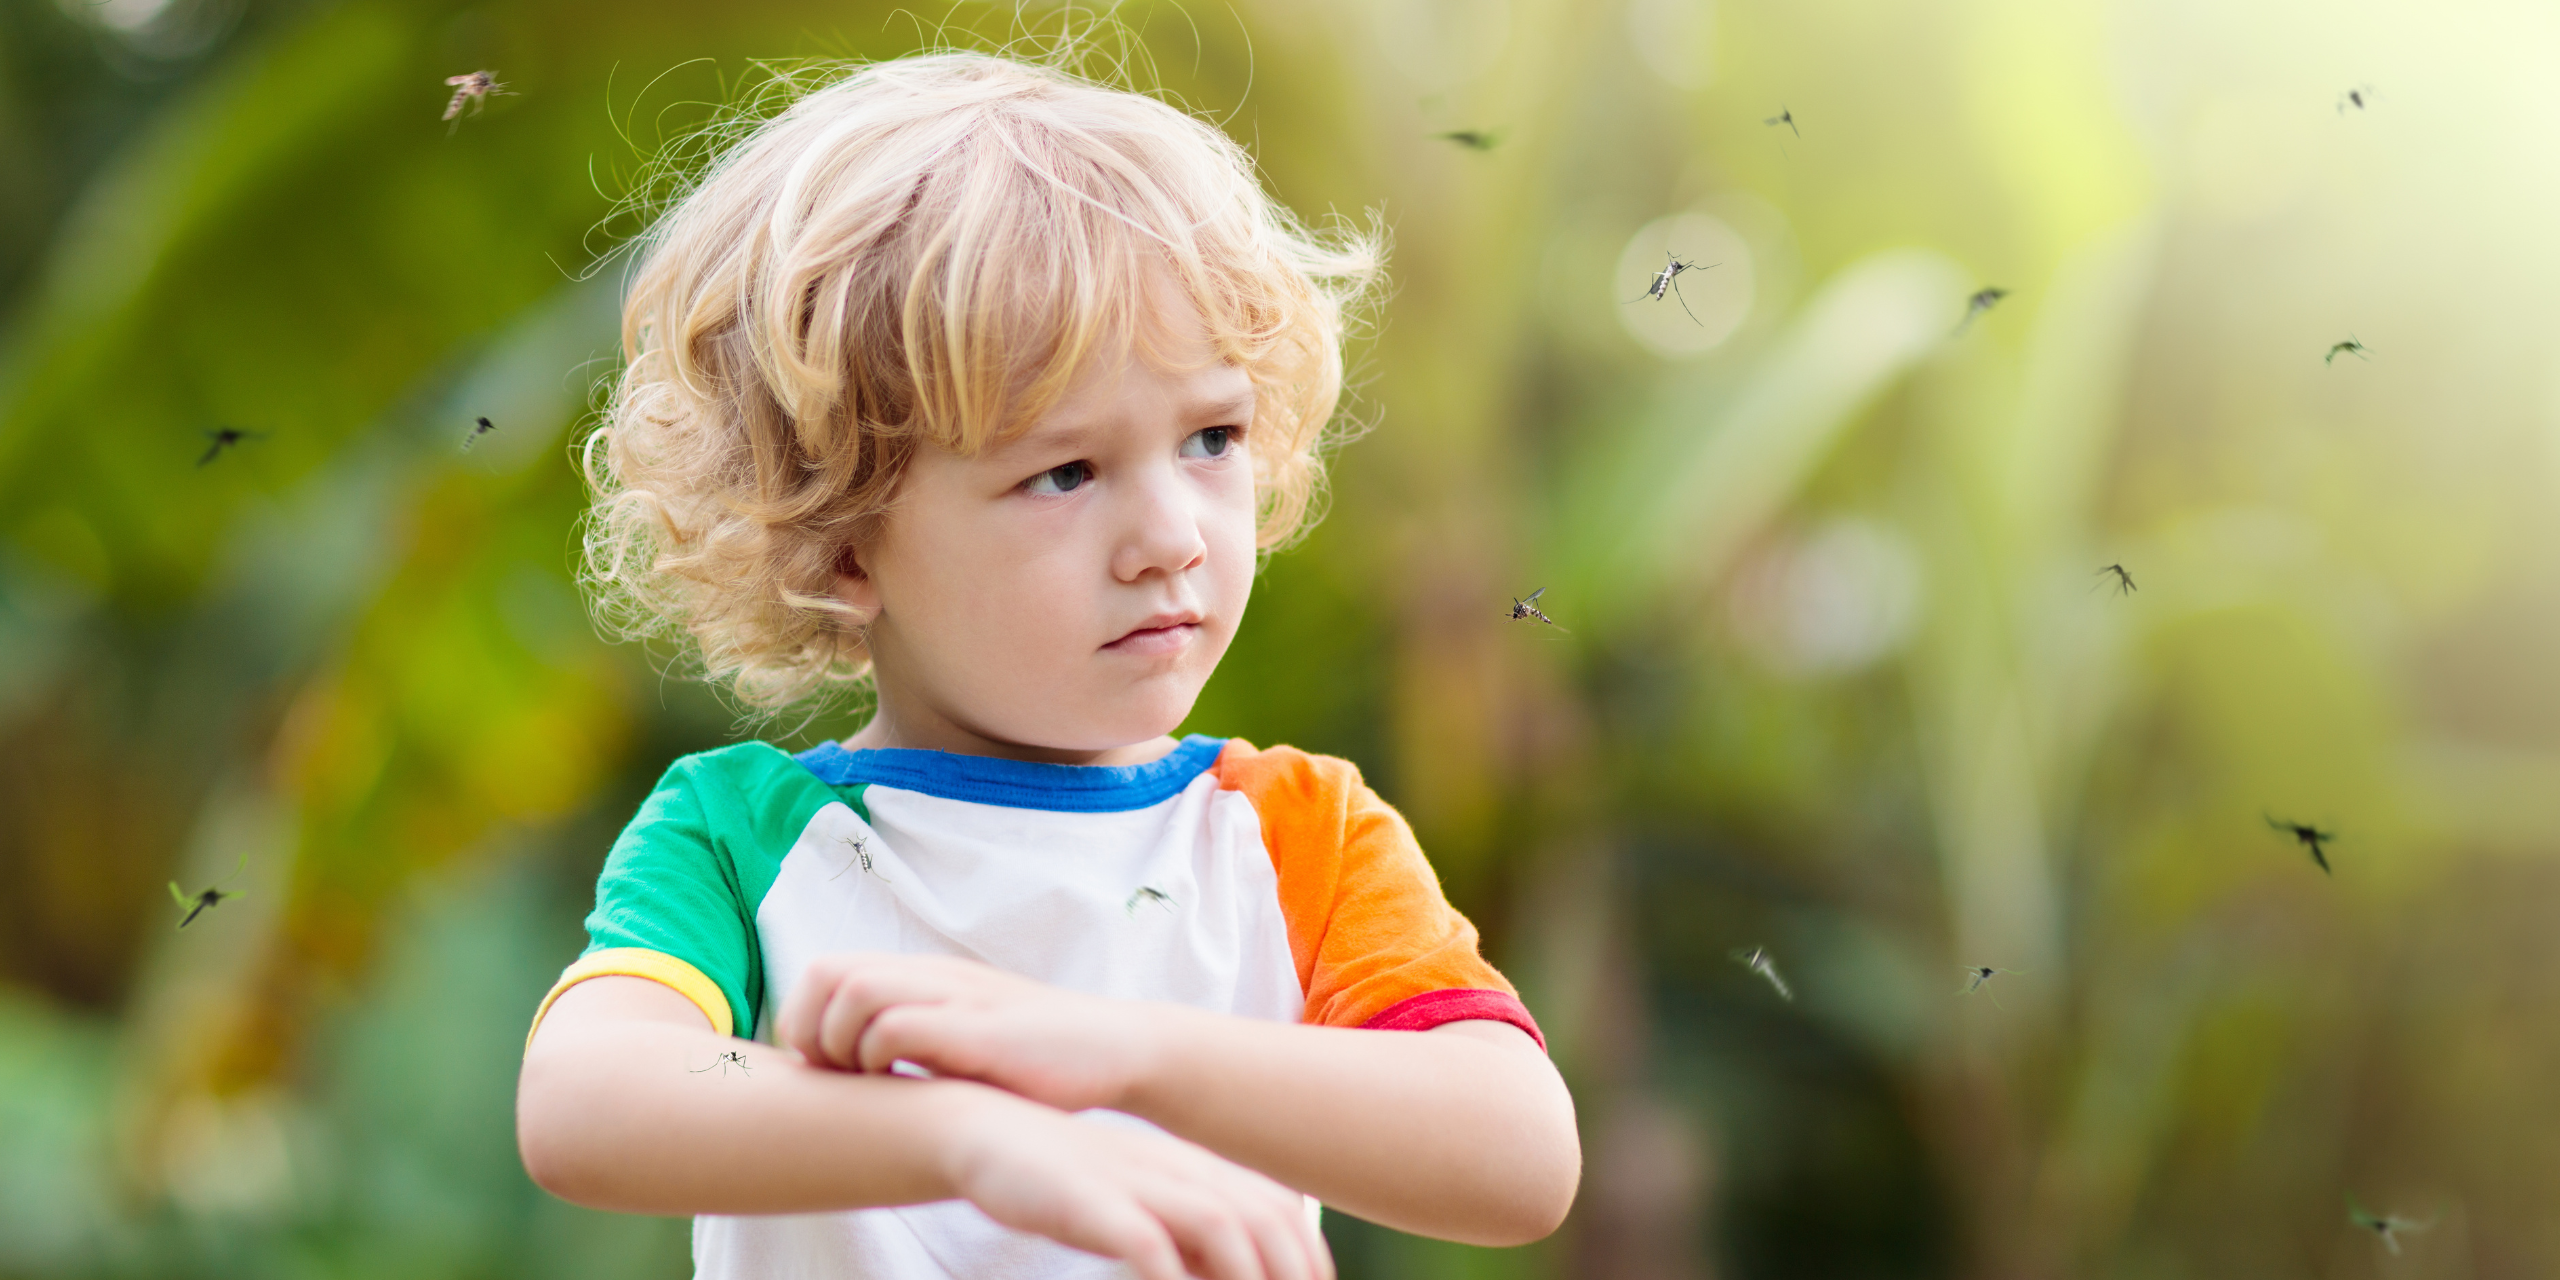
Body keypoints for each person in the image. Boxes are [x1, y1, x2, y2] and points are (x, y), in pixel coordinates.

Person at [515, 49, 1580, 1280]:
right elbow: (592, 1094)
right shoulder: (744, 837)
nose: (1173, 536)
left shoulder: (1297, 835)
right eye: (1063, 471)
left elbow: (1517, 1150)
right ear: (842, 539)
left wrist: (1119, 1051)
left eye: (1211, 437)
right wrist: (962, 1130)